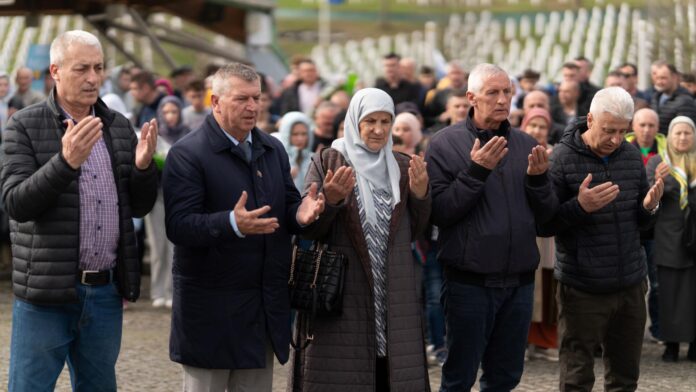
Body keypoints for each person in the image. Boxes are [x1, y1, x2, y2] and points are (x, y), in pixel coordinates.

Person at [2, 30, 158, 391]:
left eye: (99, 68)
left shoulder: (117, 126)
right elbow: (16, 203)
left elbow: (139, 206)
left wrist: (144, 169)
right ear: (55, 71)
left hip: (104, 291)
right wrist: (65, 163)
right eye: (81, 68)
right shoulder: (24, 125)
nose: (93, 78)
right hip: (46, 293)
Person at [163, 62, 324, 391]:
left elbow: (287, 206)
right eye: (241, 99)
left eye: (257, 98)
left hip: (260, 310)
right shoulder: (187, 154)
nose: (252, 107)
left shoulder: (272, 148)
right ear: (216, 102)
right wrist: (231, 223)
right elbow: (179, 225)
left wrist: (302, 214)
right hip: (209, 312)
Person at [288, 87, 432, 391]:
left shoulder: (402, 167)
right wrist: (332, 200)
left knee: (388, 373)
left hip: (392, 289)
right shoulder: (328, 160)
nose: (378, 130)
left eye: (385, 121)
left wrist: (420, 196)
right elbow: (309, 229)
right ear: (355, 121)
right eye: (370, 121)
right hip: (344, 289)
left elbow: (415, 233)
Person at [426, 63, 557, 391]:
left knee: (505, 377)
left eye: (507, 92)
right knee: (459, 377)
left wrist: (541, 183)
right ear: (471, 97)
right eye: (492, 93)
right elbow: (441, 212)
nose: (502, 100)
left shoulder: (527, 145)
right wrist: (476, 171)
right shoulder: (444, 145)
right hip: (469, 284)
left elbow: (546, 220)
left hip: (519, 284)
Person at [544, 87, 664, 391]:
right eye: (608, 130)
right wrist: (579, 207)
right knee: (577, 377)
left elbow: (640, 223)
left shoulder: (630, 154)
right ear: (589, 119)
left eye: (622, 132)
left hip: (630, 284)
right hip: (583, 287)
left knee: (625, 378)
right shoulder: (562, 157)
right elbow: (545, 223)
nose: (615, 139)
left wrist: (650, 207)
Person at [646, 116, 696, 362]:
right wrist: (657, 180)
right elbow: (645, 199)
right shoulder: (659, 162)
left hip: (694, 237)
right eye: (678, 133)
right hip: (668, 237)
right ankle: (672, 344)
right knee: (669, 292)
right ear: (670, 136)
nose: (683, 137)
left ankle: (695, 343)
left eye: (688, 133)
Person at [520, 108, 558, 362]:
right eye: (532, 125)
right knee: (527, 283)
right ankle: (522, 341)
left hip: (549, 230)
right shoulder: (514, 153)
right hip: (525, 227)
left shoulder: (557, 155)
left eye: (541, 126)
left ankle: (544, 341)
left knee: (548, 282)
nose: (536, 131)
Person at [145, 95, 191, 309]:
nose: (170, 116)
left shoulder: (188, 134)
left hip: (179, 196)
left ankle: (172, 290)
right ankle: (157, 291)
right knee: (157, 246)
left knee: (175, 247)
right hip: (155, 194)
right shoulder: (156, 134)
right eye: (166, 112)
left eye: (174, 111)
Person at [625, 108, 665, 341]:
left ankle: (658, 329)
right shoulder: (624, 148)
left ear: (657, 128)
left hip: (655, 227)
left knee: (656, 281)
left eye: (651, 125)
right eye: (642, 125)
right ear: (634, 126)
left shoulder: (667, 152)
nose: (647, 130)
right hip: (630, 225)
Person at [650, 63, 696, 135]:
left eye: (663, 78)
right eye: (657, 78)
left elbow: (685, 130)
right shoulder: (655, 98)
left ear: (674, 77)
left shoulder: (685, 101)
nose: (659, 82)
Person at [276, 111, 314, 191]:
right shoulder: (277, 159)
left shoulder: (314, 159)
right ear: (286, 135)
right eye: (295, 134)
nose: (300, 139)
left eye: (304, 134)